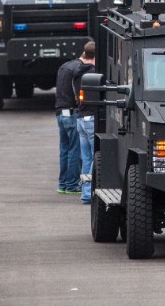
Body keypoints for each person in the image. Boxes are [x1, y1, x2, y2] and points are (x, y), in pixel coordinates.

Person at [54, 42, 95, 195]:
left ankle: (63, 184)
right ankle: (72, 185)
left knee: (64, 149)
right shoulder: (80, 70)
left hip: (60, 112)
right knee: (75, 150)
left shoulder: (65, 66)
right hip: (73, 112)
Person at [72, 42, 98, 205]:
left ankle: (85, 193)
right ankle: (88, 193)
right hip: (90, 118)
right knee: (96, 157)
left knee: (86, 158)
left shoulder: (76, 72)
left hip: (80, 118)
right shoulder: (93, 74)